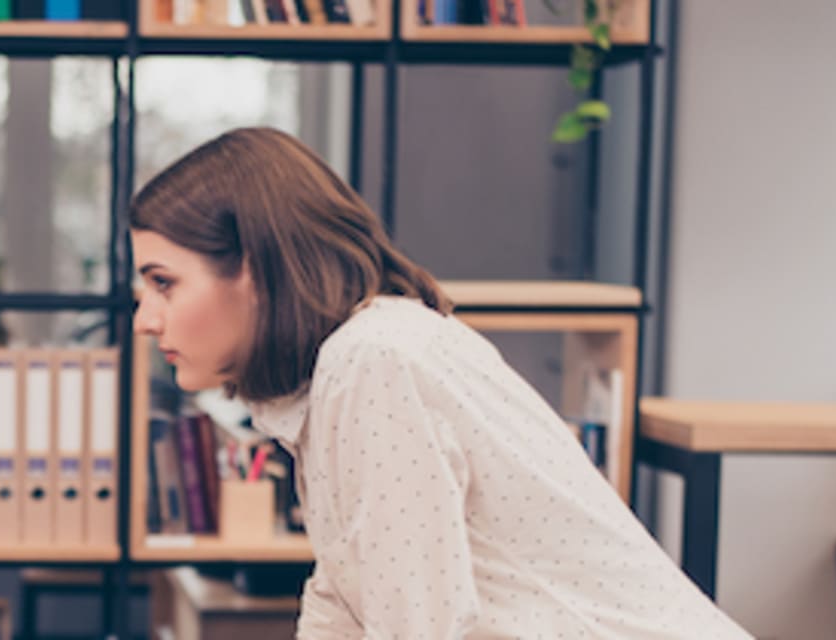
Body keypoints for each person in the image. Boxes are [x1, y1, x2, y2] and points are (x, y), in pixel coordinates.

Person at [128, 127, 748, 638]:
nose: (144, 321)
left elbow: (418, 632)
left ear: (256, 270)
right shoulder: (342, 375)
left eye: (164, 283)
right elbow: (341, 605)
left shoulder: (374, 362)